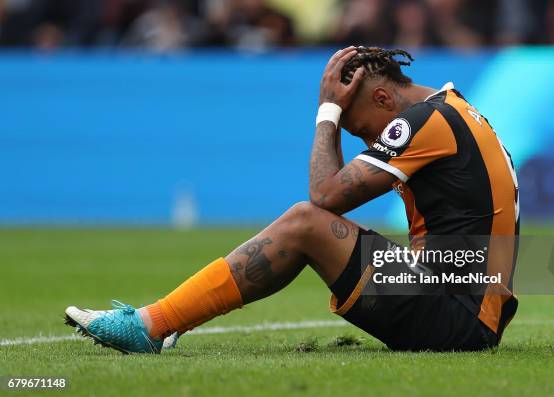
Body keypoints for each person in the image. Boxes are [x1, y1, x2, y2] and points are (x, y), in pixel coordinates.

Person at [64, 46, 519, 353]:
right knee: (313, 221)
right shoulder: (457, 111)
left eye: (360, 128)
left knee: (305, 222)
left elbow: (323, 196)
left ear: (382, 96)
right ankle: (161, 324)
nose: (365, 140)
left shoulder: (424, 122)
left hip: (458, 314)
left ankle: (152, 325)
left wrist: (327, 112)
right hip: (466, 303)